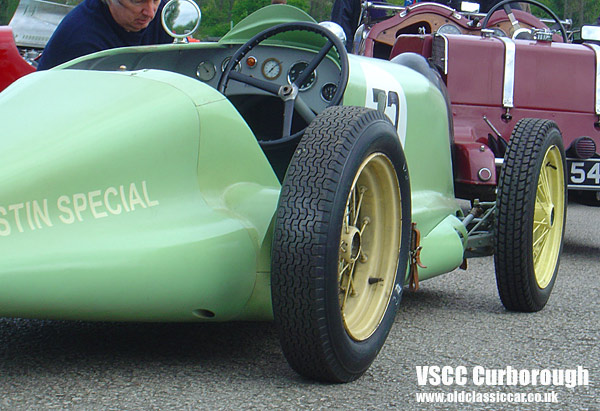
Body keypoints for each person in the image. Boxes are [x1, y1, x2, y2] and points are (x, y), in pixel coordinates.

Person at [37, 0, 172, 70]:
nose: (150, 13)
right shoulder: (82, 40)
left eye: (155, 0)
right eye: (137, 1)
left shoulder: (163, 16)